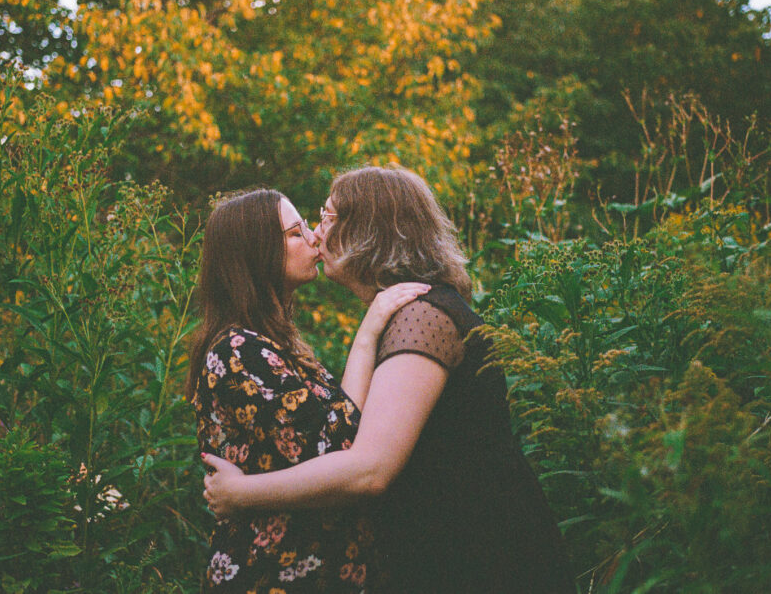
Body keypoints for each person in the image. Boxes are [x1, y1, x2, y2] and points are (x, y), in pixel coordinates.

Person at [201, 167, 575, 594]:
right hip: (446, 547)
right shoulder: (406, 317)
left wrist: (241, 494)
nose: (316, 234)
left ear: (366, 230)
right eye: (304, 226)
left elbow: (368, 468)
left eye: (326, 217)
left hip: (478, 552)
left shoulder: (423, 317)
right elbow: (344, 432)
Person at [188, 188, 429, 592]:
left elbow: (340, 422)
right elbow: (347, 450)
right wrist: (370, 328)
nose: (315, 236)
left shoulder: (273, 343)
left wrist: (369, 331)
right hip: (272, 573)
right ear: (257, 252)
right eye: (296, 232)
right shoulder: (239, 351)